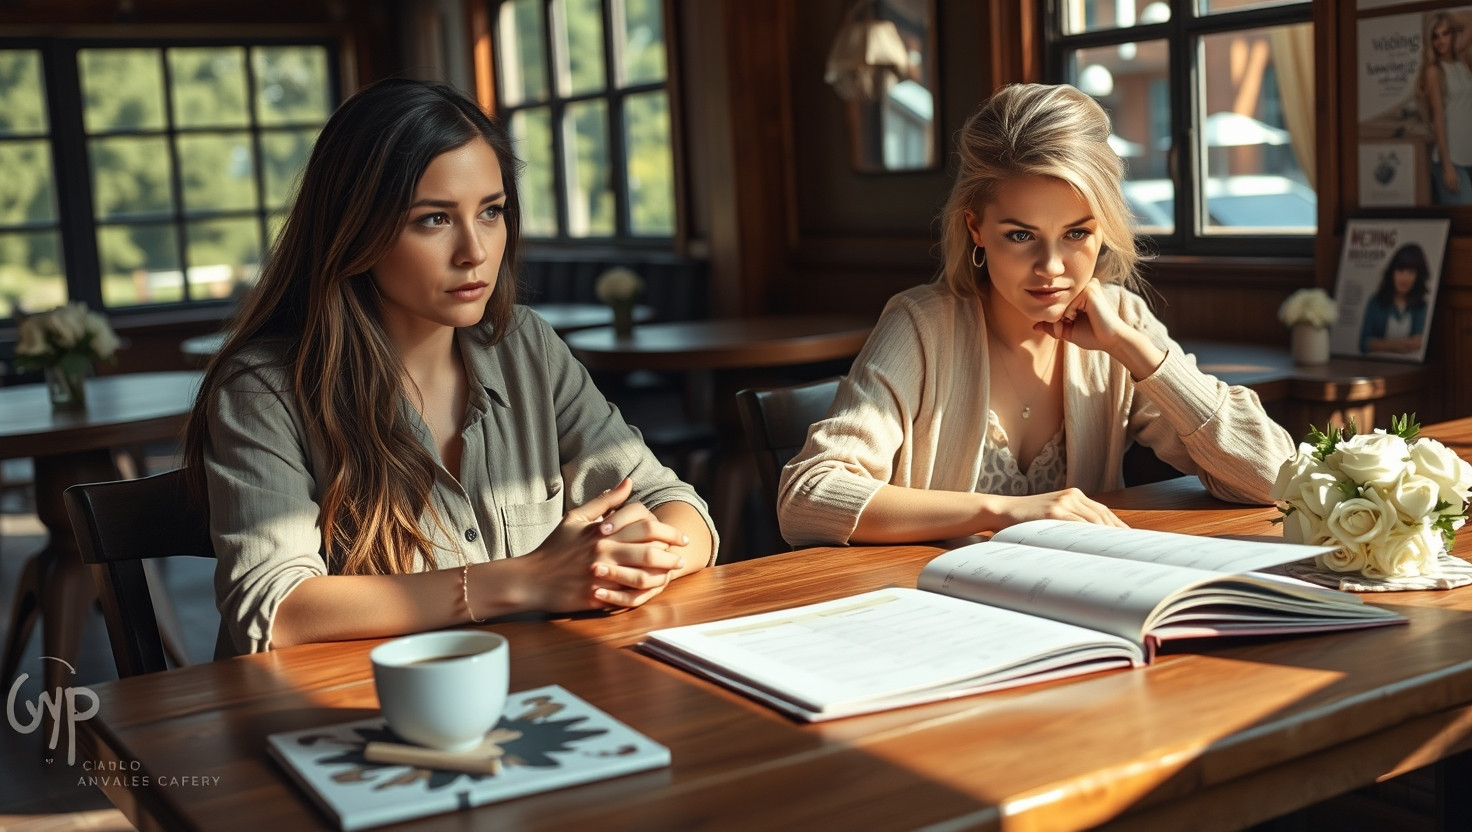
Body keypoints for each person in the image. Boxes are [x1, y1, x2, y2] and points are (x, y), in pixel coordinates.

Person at [183, 79, 716, 656]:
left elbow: (678, 506)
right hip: (345, 716)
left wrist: (635, 558)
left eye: (491, 212)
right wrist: (525, 580)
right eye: (434, 219)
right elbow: (271, 611)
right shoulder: (263, 389)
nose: (476, 252)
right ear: (354, 229)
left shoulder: (526, 347)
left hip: (537, 694)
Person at [777, 83, 1293, 547]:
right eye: (1020, 235)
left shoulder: (1121, 322)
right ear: (976, 228)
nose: (1052, 268)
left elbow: (1273, 477)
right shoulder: (921, 326)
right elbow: (808, 497)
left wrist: (1138, 353)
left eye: (1077, 234)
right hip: (932, 610)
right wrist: (1004, 512)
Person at [1421, 11, 1472, 205]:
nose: (1440, 40)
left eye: (1445, 33)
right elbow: (1438, 118)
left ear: (1453, 35)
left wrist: (1449, 18)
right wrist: (1447, 165)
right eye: (1435, 36)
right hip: (1452, 160)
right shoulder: (1434, 71)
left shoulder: (1463, 62)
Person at [1359, 243, 1431, 355]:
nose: (1404, 278)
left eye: (1411, 272)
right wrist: (1392, 345)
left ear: (1418, 276)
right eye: (1400, 270)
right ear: (1392, 272)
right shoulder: (1376, 302)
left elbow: (1419, 340)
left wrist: (1414, 342)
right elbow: (1363, 343)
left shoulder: (1420, 306)